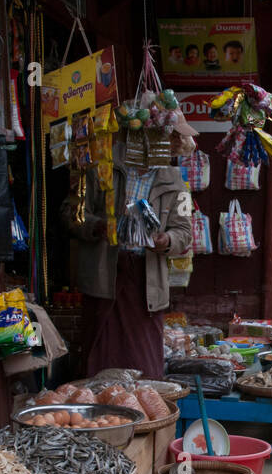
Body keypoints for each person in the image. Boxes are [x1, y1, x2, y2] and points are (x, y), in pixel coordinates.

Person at [60, 142, 194, 380]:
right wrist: (98, 225)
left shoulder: (175, 181)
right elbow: (71, 213)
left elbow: (184, 232)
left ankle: (147, 412)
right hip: (105, 275)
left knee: (145, 362)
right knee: (98, 355)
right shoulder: (101, 168)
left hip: (146, 282)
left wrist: (167, 240)